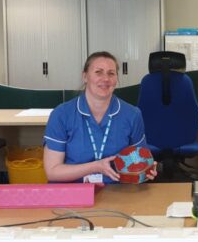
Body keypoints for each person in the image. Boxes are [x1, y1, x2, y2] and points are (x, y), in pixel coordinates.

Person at [43, 51, 157, 184]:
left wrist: (146, 169)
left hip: (117, 191)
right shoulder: (61, 114)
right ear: (85, 76)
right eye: (98, 72)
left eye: (111, 73)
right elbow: (52, 171)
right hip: (73, 191)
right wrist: (96, 166)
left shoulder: (132, 114)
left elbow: (140, 159)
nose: (106, 79)